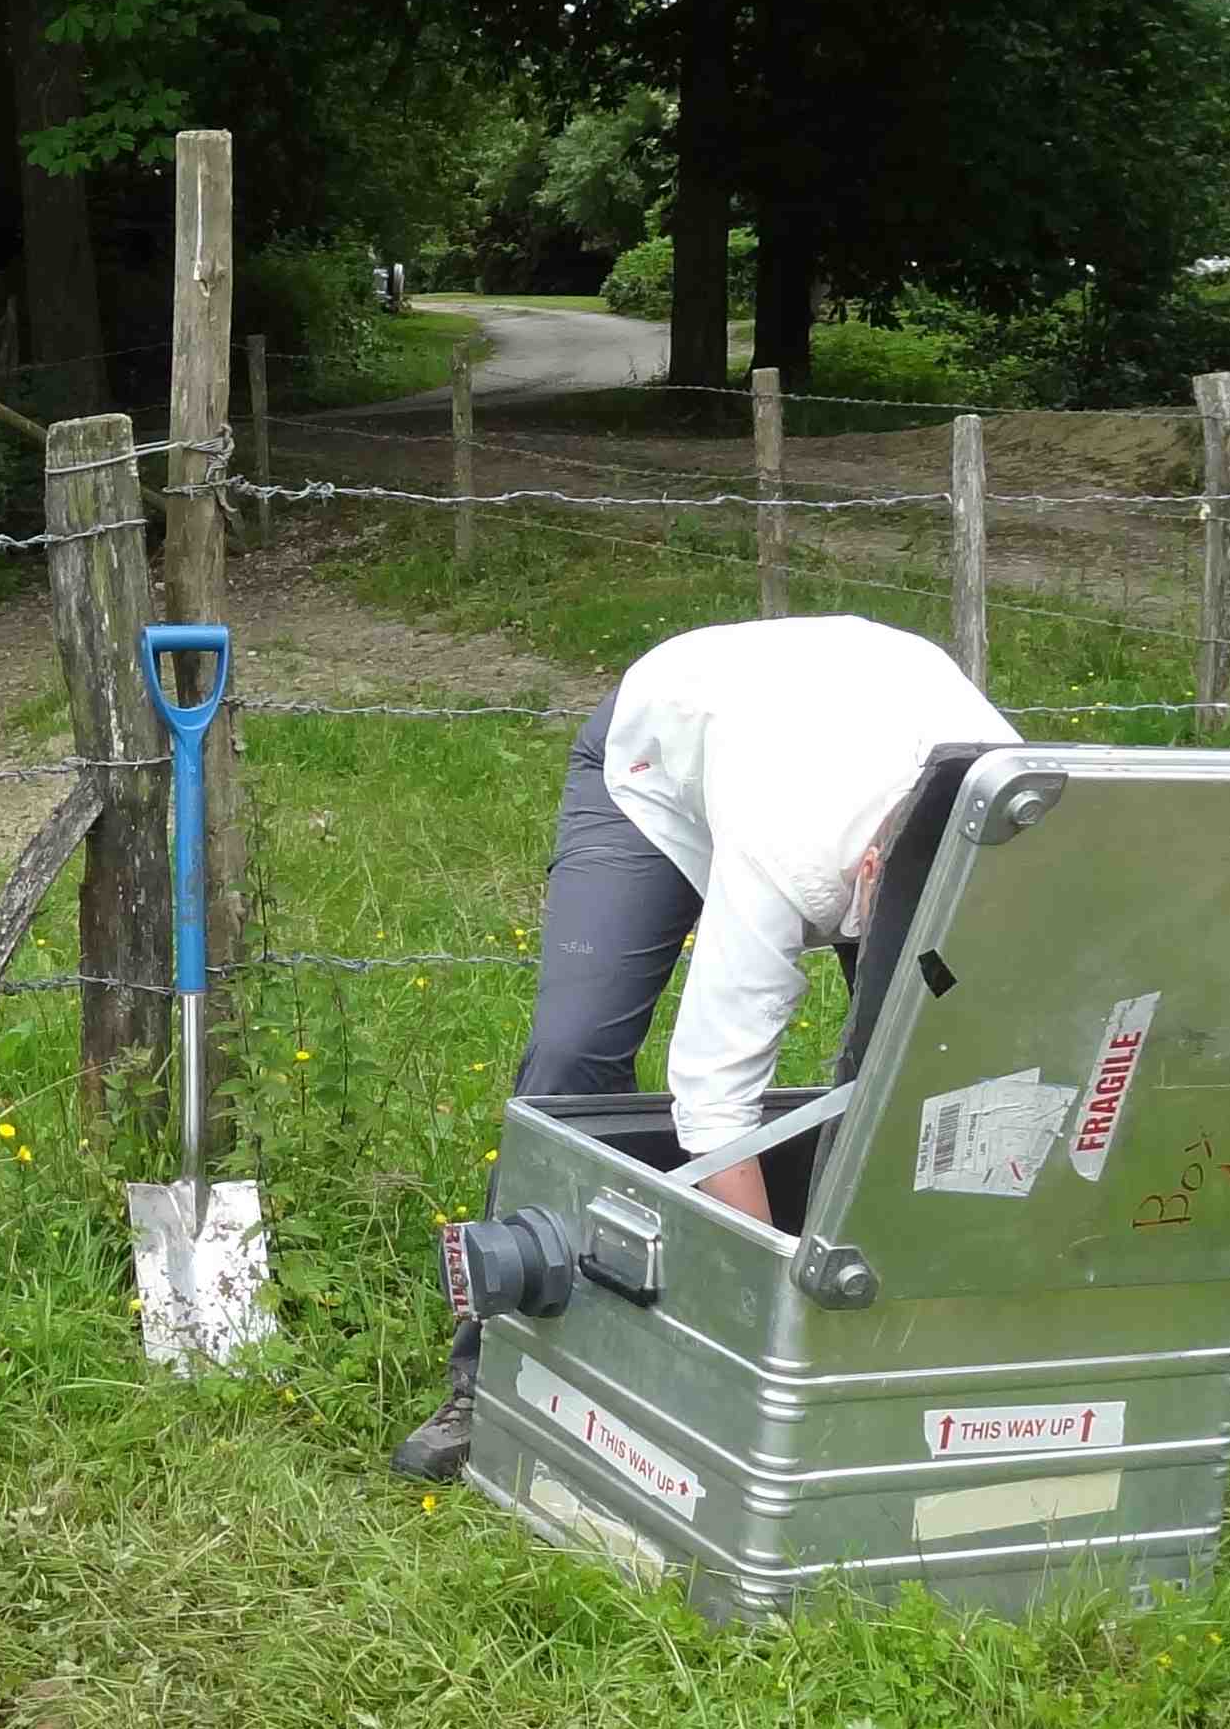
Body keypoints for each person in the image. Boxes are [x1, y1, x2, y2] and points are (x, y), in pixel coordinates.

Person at [389, 613, 1016, 1483]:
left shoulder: (1022, 829)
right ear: (867, 877)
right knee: (573, 1056)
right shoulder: (792, 846)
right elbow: (715, 1098)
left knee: (928, 1059)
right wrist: (772, 1313)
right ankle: (493, 1375)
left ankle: (921, 1351)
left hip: (846, 709)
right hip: (657, 752)